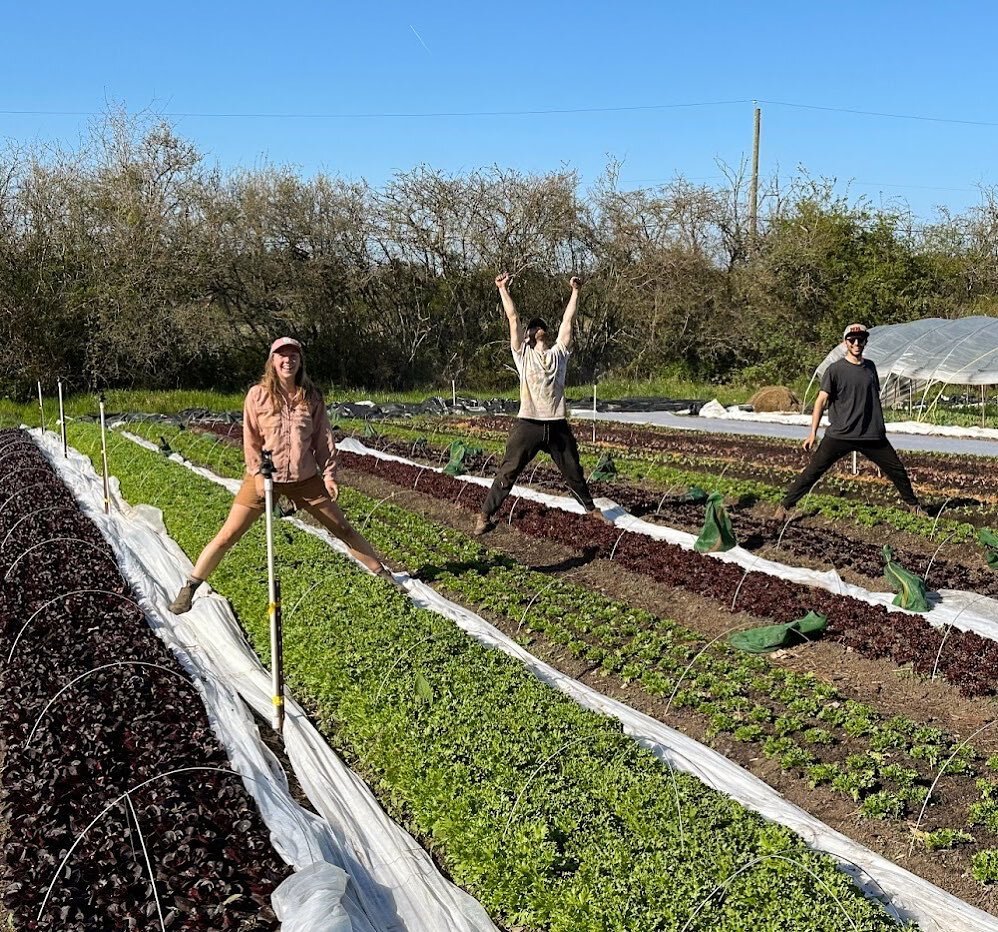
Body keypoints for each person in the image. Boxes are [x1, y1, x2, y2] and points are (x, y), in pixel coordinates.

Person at [169, 337, 394, 614]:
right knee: (229, 534)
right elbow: (250, 441)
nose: (288, 361)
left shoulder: (311, 396)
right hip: (264, 477)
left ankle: (383, 575)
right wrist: (259, 477)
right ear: (272, 361)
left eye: (293, 356)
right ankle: (190, 586)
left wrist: (330, 475)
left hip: (305, 479)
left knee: (343, 529)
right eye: (282, 356)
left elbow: (323, 440)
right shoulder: (257, 395)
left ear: (300, 361)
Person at [474, 272, 611, 535]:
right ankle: (484, 515)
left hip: (556, 425)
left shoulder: (559, 353)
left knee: (573, 471)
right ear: (528, 336)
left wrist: (576, 292)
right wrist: (502, 289)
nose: (538, 328)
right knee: (509, 471)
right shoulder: (522, 355)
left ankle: (591, 510)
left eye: (541, 326)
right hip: (529, 424)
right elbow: (513, 318)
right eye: (533, 327)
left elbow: (568, 320)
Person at [774, 323, 923, 522]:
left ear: (865, 342)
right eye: (852, 340)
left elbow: (872, 397)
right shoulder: (835, 370)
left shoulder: (870, 367)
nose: (856, 343)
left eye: (860, 340)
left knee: (897, 470)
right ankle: (785, 506)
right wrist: (812, 433)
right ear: (845, 343)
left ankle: (914, 506)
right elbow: (820, 401)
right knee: (813, 471)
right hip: (840, 434)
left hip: (871, 435)